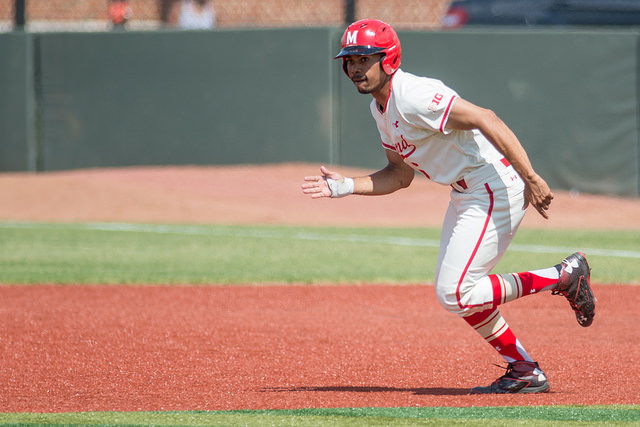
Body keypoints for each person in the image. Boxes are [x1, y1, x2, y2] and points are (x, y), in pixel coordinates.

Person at [301, 19, 596, 394]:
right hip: (467, 193)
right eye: (350, 60)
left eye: (364, 58)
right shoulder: (381, 109)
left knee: (455, 292)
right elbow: (399, 174)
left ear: (388, 59)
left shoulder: (414, 95)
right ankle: (524, 371)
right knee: (460, 294)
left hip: (492, 186)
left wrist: (531, 176)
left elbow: (486, 118)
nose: (356, 68)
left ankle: (562, 276)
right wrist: (345, 186)